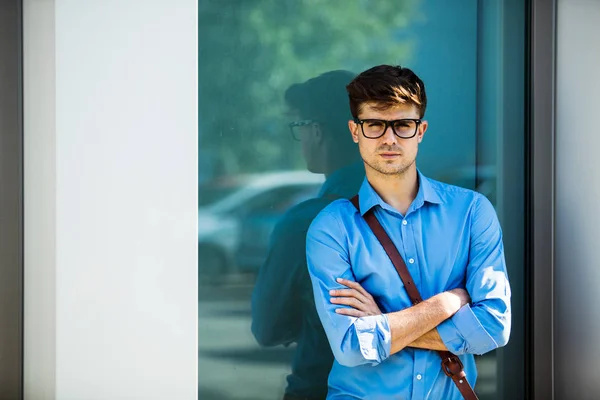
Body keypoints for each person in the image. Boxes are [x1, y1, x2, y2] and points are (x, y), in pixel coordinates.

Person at [306, 65, 511, 399]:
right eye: (374, 124)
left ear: (421, 130)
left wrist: (382, 321)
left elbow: (493, 327)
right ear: (355, 131)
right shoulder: (332, 227)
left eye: (402, 125)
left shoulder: (472, 213)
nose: (389, 138)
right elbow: (350, 345)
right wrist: (446, 303)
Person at [251, 70, 365, 400]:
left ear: (316, 130)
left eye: (298, 126)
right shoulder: (428, 212)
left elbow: (267, 328)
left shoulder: (308, 224)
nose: (299, 138)